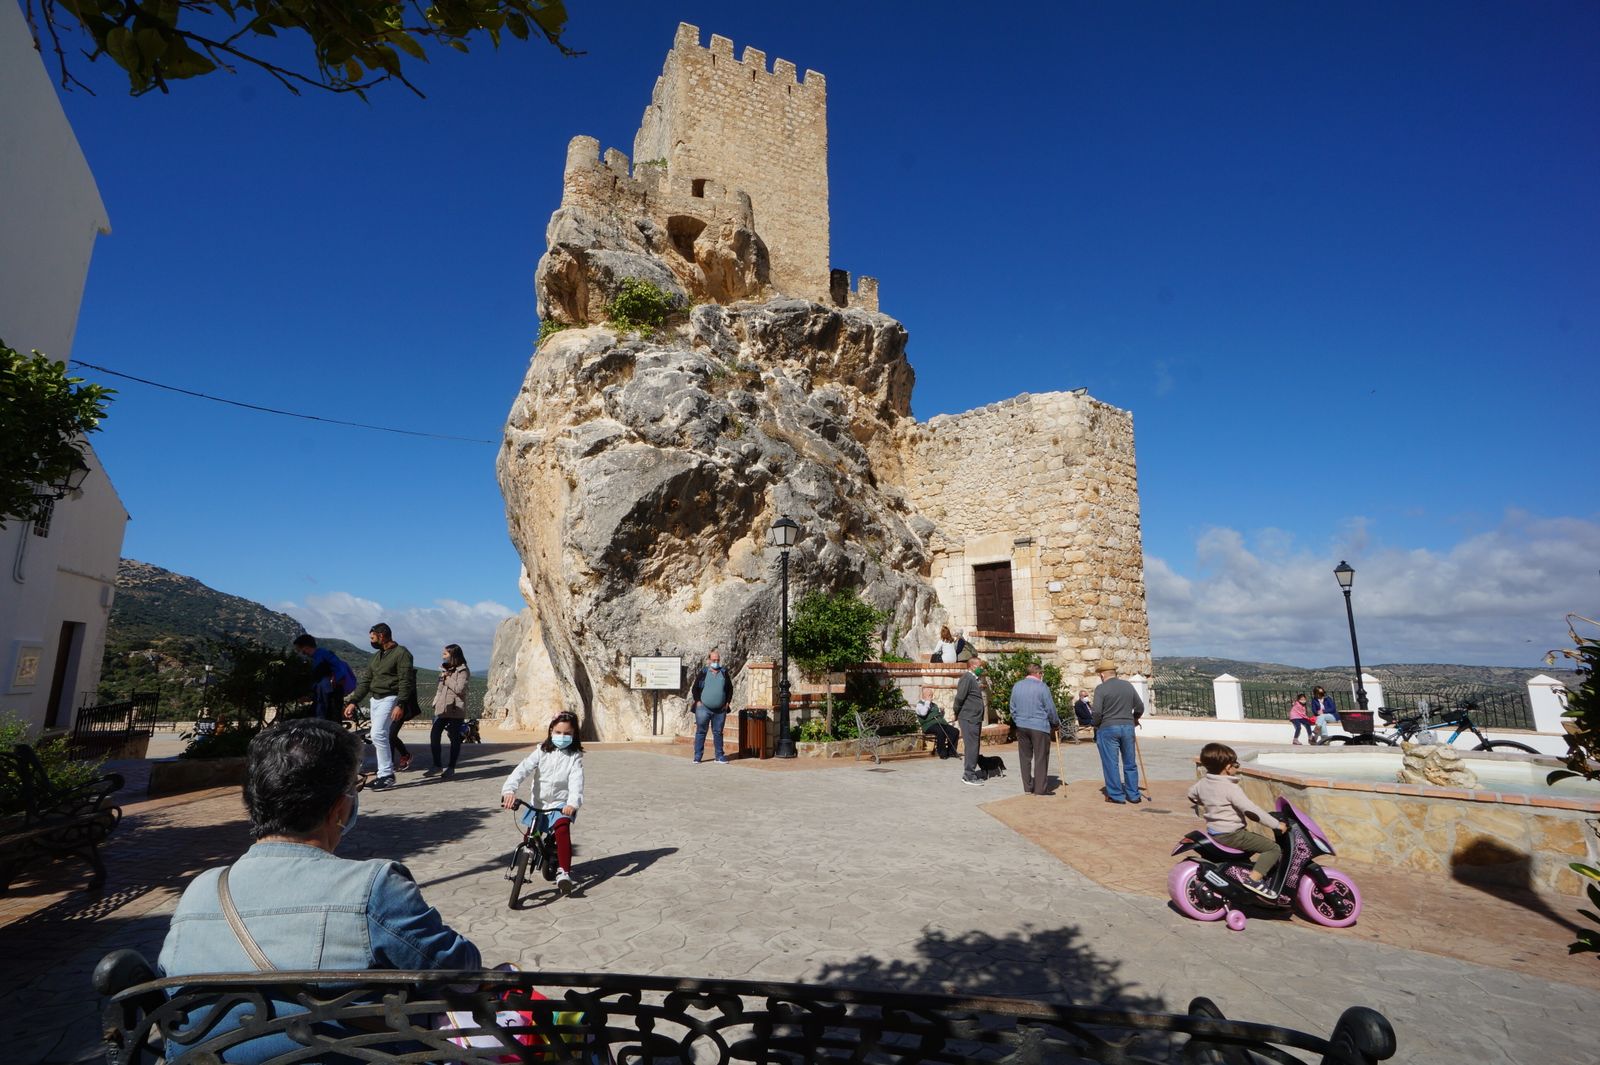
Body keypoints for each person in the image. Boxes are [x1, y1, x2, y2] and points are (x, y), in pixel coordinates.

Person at [158, 719, 481, 1061]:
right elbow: (461, 972)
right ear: (340, 808)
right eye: (355, 786)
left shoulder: (200, 890)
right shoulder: (373, 888)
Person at [500, 711, 585, 895]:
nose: (562, 736)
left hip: (561, 805)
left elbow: (576, 781)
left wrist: (572, 803)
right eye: (558, 732)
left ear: (574, 734)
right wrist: (509, 791)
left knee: (562, 830)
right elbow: (522, 770)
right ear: (551, 731)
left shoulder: (574, 757)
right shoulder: (541, 751)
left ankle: (564, 872)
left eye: (567, 733)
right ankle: (529, 853)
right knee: (532, 833)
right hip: (538, 804)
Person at [1187, 742, 1285, 899]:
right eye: (1236, 764)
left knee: (1253, 843)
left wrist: (1206, 801)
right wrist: (1276, 824)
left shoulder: (1203, 783)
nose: (1237, 767)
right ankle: (1253, 880)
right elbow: (1251, 810)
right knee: (1272, 848)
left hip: (1214, 832)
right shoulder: (1230, 788)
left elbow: (1191, 795)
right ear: (1227, 767)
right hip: (1232, 834)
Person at [343, 623, 415, 791]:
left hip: (391, 698)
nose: (371, 641)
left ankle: (387, 774)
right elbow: (366, 681)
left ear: (381, 636)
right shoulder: (376, 657)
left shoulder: (402, 653)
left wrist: (401, 704)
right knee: (378, 736)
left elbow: (406, 681)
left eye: (372, 637)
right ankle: (383, 774)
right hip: (375, 700)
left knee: (377, 734)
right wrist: (354, 701)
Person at [1092, 659, 1144, 804]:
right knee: (1130, 762)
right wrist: (1134, 719)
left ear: (1102, 675)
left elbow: (1097, 712)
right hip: (1127, 727)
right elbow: (1140, 706)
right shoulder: (1128, 686)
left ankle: (1116, 795)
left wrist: (1095, 724)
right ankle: (1134, 795)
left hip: (1108, 727)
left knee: (1111, 763)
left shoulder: (1101, 689)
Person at [1009, 661, 1063, 796]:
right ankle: (1040, 789)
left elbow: (1012, 707)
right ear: (1038, 673)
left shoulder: (1017, 686)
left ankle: (1027, 788)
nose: (1042, 675)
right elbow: (1050, 708)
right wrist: (1055, 723)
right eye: (1041, 673)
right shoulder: (1042, 687)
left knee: (1024, 758)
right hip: (1039, 726)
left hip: (1021, 726)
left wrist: (1018, 720)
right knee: (1041, 757)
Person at [426, 644, 471, 779]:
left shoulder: (463, 670)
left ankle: (451, 767)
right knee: (434, 734)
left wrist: (447, 678)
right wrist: (435, 702)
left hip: (456, 708)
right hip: (442, 707)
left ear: (453, 655)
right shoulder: (445, 669)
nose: (443, 656)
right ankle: (437, 765)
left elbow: (460, 689)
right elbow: (440, 688)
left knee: (454, 737)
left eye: (445, 654)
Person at [291, 634, 357, 722]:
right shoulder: (313, 658)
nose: (298, 652)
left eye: (299, 649)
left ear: (305, 647)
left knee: (329, 721)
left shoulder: (323, 654)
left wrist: (334, 683)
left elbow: (339, 670)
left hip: (330, 696)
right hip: (321, 696)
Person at [690, 650, 734, 764]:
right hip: (703, 708)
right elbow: (695, 688)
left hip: (720, 710)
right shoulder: (704, 672)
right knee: (701, 732)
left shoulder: (724, 672)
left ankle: (719, 756)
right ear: (709, 660)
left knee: (718, 732)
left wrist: (727, 702)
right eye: (714, 660)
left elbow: (730, 688)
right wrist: (698, 701)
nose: (716, 662)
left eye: (718, 660)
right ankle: (697, 757)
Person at [955, 652, 987, 786]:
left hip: (974, 717)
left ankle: (970, 772)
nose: (981, 668)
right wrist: (956, 712)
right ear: (972, 666)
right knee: (972, 746)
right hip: (969, 718)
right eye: (979, 666)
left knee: (974, 745)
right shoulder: (967, 678)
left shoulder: (973, 679)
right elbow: (959, 698)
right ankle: (969, 775)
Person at [912, 686, 959, 759]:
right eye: (929, 695)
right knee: (940, 731)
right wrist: (927, 701)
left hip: (939, 724)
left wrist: (942, 712)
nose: (931, 697)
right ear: (924, 695)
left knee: (955, 731)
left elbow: (939, 717)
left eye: (931, 695)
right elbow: (923, 713)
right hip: (928, 726)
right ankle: (942, 753)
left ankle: (951, 752)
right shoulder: (920, 705)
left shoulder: (934, 705)